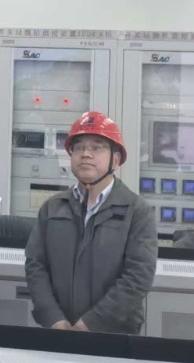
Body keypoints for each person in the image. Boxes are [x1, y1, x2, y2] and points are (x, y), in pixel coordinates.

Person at [24, 111, 157, 333]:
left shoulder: (136, 211)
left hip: (114, 335)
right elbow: (36, 265)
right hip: (58, 330)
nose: (86, 154)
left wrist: (90, 324)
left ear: (116, 159)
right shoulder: (53, 208)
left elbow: (138, 276)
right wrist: (53, 317)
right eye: (79, 148)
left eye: (97, 147)